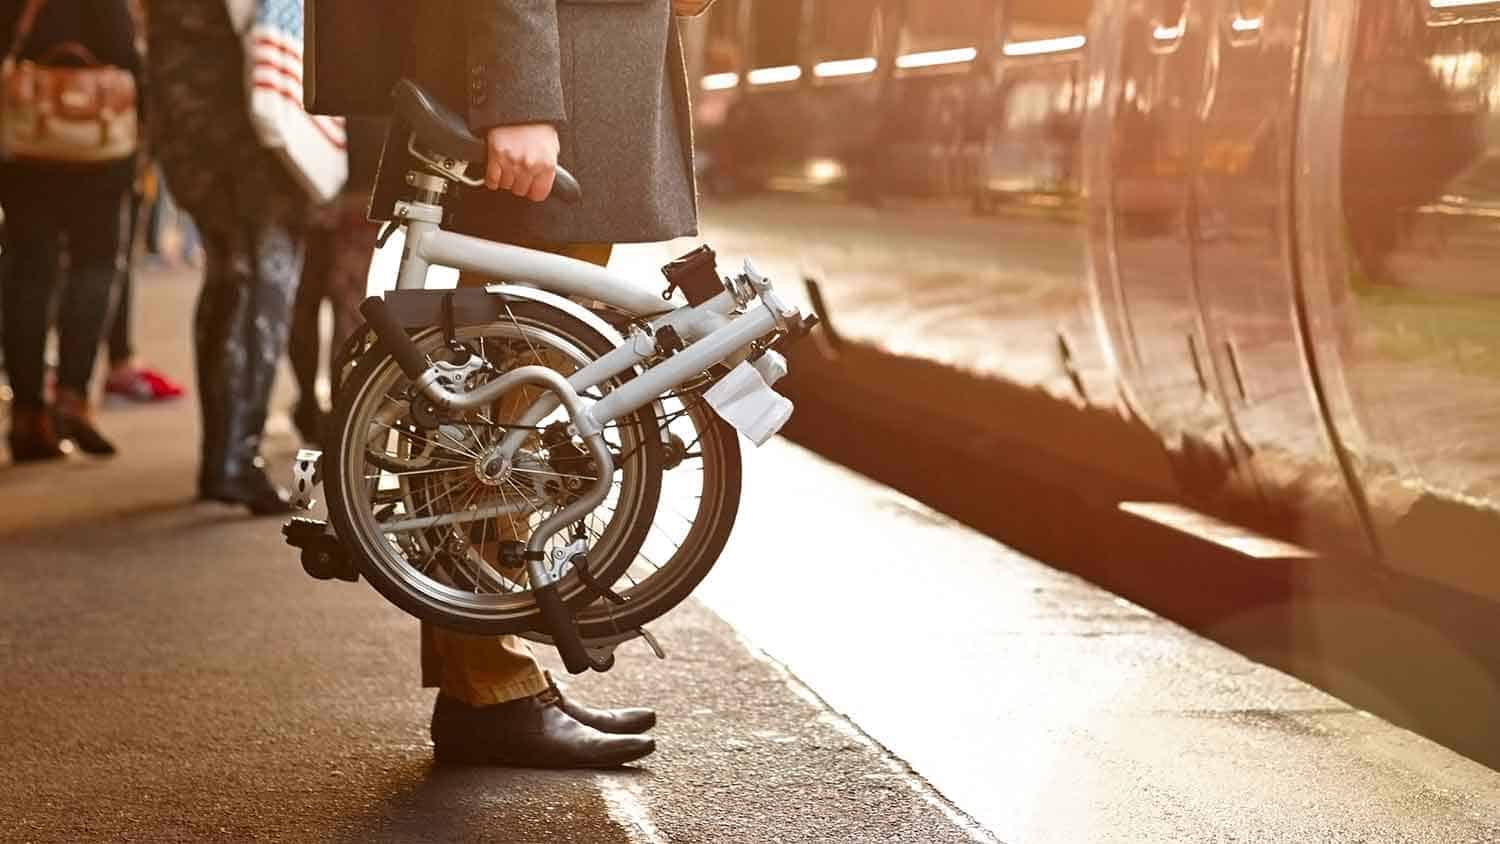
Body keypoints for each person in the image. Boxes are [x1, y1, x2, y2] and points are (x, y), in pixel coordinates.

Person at [396, 0, 715, 768]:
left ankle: (488, 679)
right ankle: (488, 686)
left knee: (509, 396)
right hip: (559, 99)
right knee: (496, 412)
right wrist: (522, 98)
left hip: (586, 95)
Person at [143, 0, 308, 514]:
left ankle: (221, 456)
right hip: (245, 127)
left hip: (183, 121)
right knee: (265, 279)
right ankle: (236, 457)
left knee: (227, 274)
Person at [0, 0, 141, 462]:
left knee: (27, 271)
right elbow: (126, 53)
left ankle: (27, 415)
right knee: (97, 265)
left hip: (26, 143)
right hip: (98, 146)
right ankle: (72, 397)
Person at [287, 117, 385, 446]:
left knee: (305, 299)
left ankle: (313, 405)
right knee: (348, 304)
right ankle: (341, 413)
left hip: (311, 172)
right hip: (360, 180)